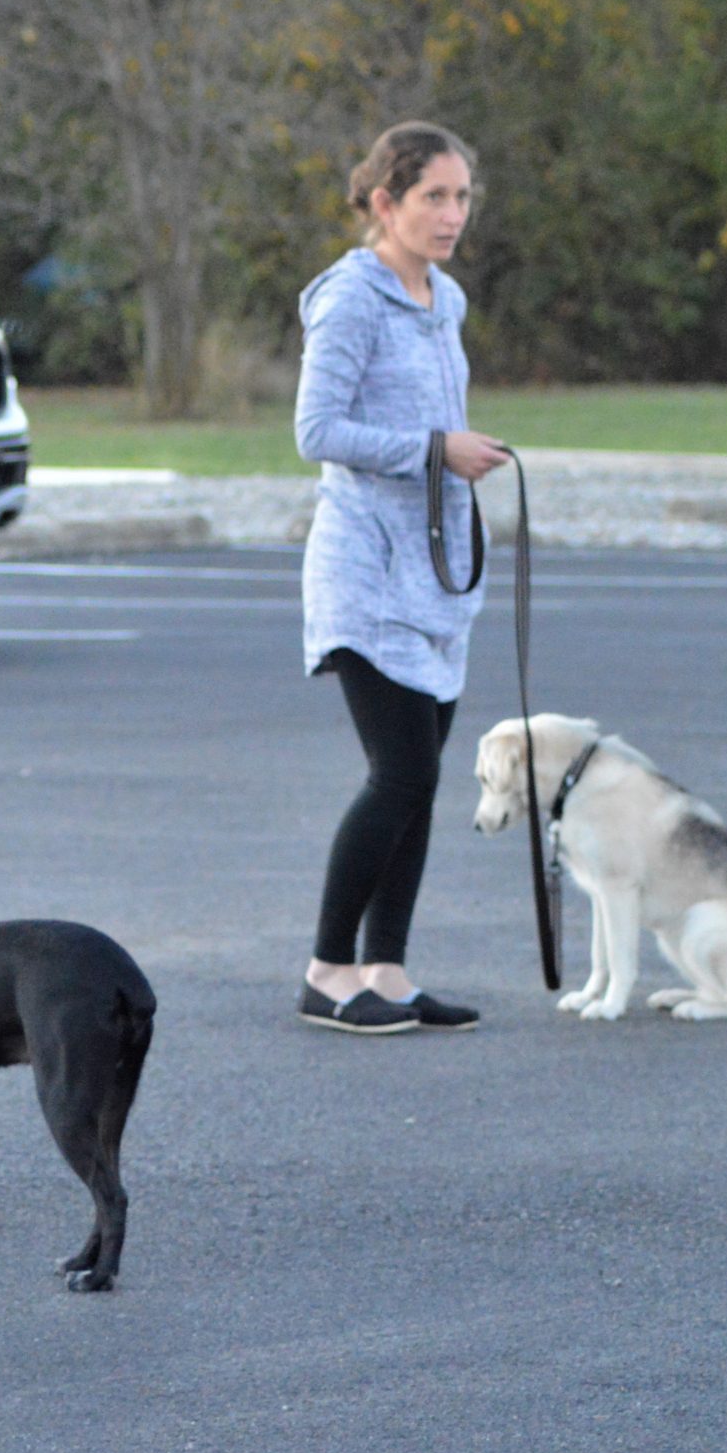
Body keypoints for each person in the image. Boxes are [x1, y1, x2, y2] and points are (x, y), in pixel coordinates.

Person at [292, 121, 508, 1036]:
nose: (452, 214)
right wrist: (434, 450)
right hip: (364, 575)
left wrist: (458, 454)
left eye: (462, 197)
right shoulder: (351, 300)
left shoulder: (443, 299)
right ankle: (325, 971)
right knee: (401, 774)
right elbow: (317, 432)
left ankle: (387, 971)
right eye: (434, 197)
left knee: (422, 783)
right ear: (385, 202)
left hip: (434, 574)